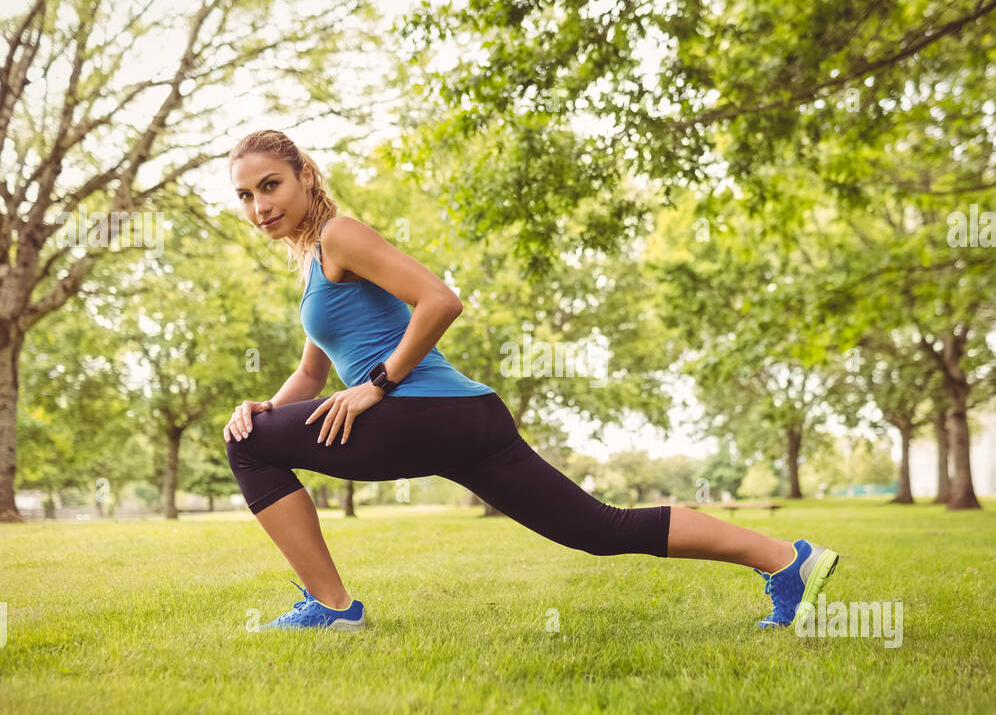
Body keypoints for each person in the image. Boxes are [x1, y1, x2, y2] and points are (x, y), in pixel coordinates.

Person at [224, 129, 839, 631]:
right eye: (246, 196)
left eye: (270, 185)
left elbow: (440, 300)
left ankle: (333, 609)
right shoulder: (314, 265)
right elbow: (312, 371)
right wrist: (264, 408)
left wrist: (377, 383)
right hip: (463, 420)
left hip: (421, 410)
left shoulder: (341, 234)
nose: (260, 206)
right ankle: (787, 561)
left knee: (248, 451)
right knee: (598, 529)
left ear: (305, 174)